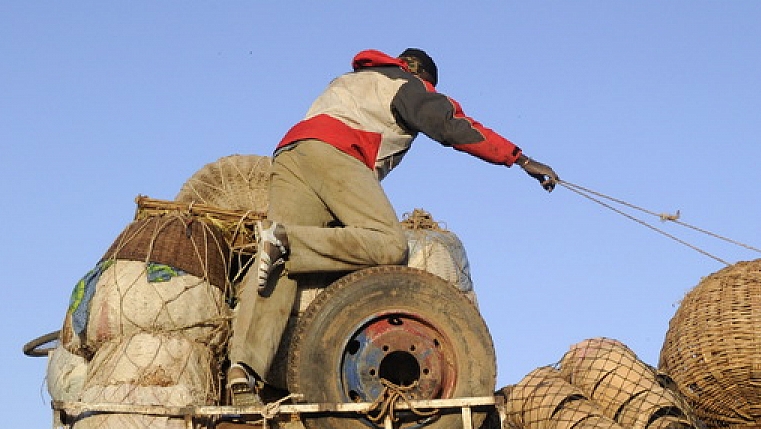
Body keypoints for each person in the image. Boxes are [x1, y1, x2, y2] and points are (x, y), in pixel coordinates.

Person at [228, 48, 558, 399]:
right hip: (338, 154)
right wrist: (520, 158)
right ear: (420, 73)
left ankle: (243, 370)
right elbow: (451, 126)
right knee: (388, 242)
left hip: (292, 152)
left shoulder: (350, 81)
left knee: (278, 266)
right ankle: (289, 241)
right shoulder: (406, 84)